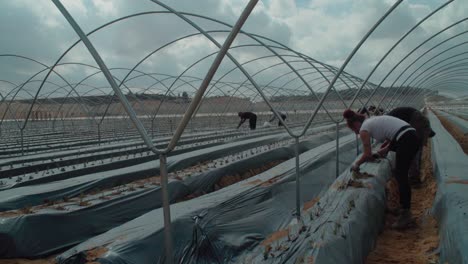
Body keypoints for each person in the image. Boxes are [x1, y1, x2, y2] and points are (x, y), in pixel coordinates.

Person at [343, 109, 420, 229]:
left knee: (401, 175)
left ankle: (406, 215)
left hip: (406, 138)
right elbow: (394, 135)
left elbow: (367, 154)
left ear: (356, 124)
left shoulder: (364, 129)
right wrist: (382, 152)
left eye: (354, 130)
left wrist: (356, 164)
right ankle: (403, 208)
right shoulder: (372, 121)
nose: (356, 133)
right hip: (411, 135)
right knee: (401, 173)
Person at [387, 107, 436, 186]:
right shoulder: (387, 120)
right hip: (416, 119)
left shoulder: (387, 122)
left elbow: (392, 140)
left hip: (415, 119)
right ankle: (414, 174)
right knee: (415, 147)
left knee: (413, 149)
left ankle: (414, 179)